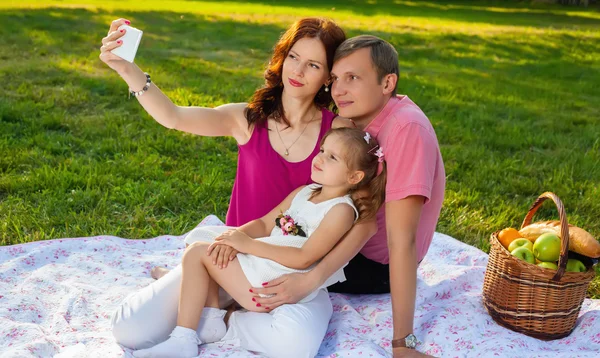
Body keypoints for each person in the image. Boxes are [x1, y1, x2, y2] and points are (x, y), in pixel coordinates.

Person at [249, 36, 446, 358]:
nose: (338, 91)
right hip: (334, 235)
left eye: (352, 78)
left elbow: (402, 242)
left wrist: (402, 344)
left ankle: (207, 299)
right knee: (254, 239)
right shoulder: (362, 116)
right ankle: (197, 274)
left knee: (262, 258)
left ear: (388, 82)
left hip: (369, 264)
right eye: (335, 79)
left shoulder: (407, 129)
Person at [131, 127, 386, 358]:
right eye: (322, 150)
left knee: (199, 254)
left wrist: (247, 245)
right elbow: (265, 224)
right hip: (264, 260)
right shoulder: (304, 192)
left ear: (354, 177)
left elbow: (305, 257)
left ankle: (184, 338)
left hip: (274, 282)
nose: (320, 158)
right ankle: (210, 315)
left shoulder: (340, 210)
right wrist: (232, 238)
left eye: (332, 158)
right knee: (204, 238)